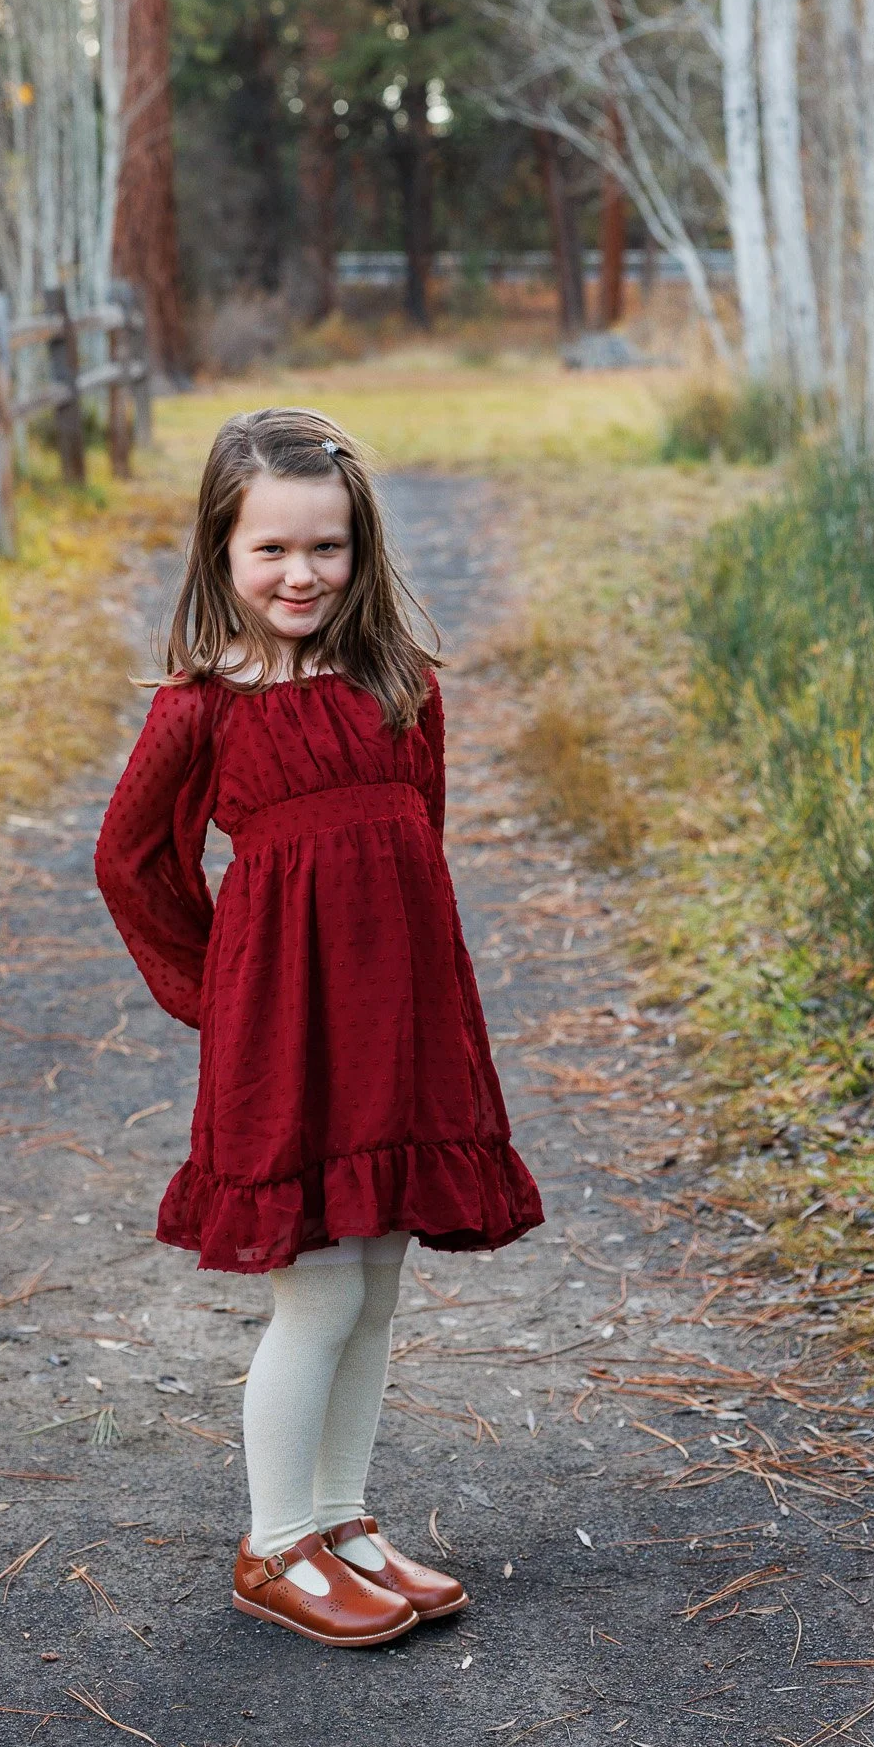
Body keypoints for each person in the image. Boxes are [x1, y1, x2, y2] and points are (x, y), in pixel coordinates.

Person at [94, 406, 543, 1648]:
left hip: (397, 1019)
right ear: (221, 554)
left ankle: (341, 1518)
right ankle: (274, 1538)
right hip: (285, 1037)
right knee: (317, 1294)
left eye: (327, 549)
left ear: (361, 547)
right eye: (270, 551)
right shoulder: (205, 704)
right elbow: (131, 860)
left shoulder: (398, 681)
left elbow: (417, 841)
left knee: (378, 1281)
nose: (300, 574)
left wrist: (405, 989)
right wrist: (222, 991)